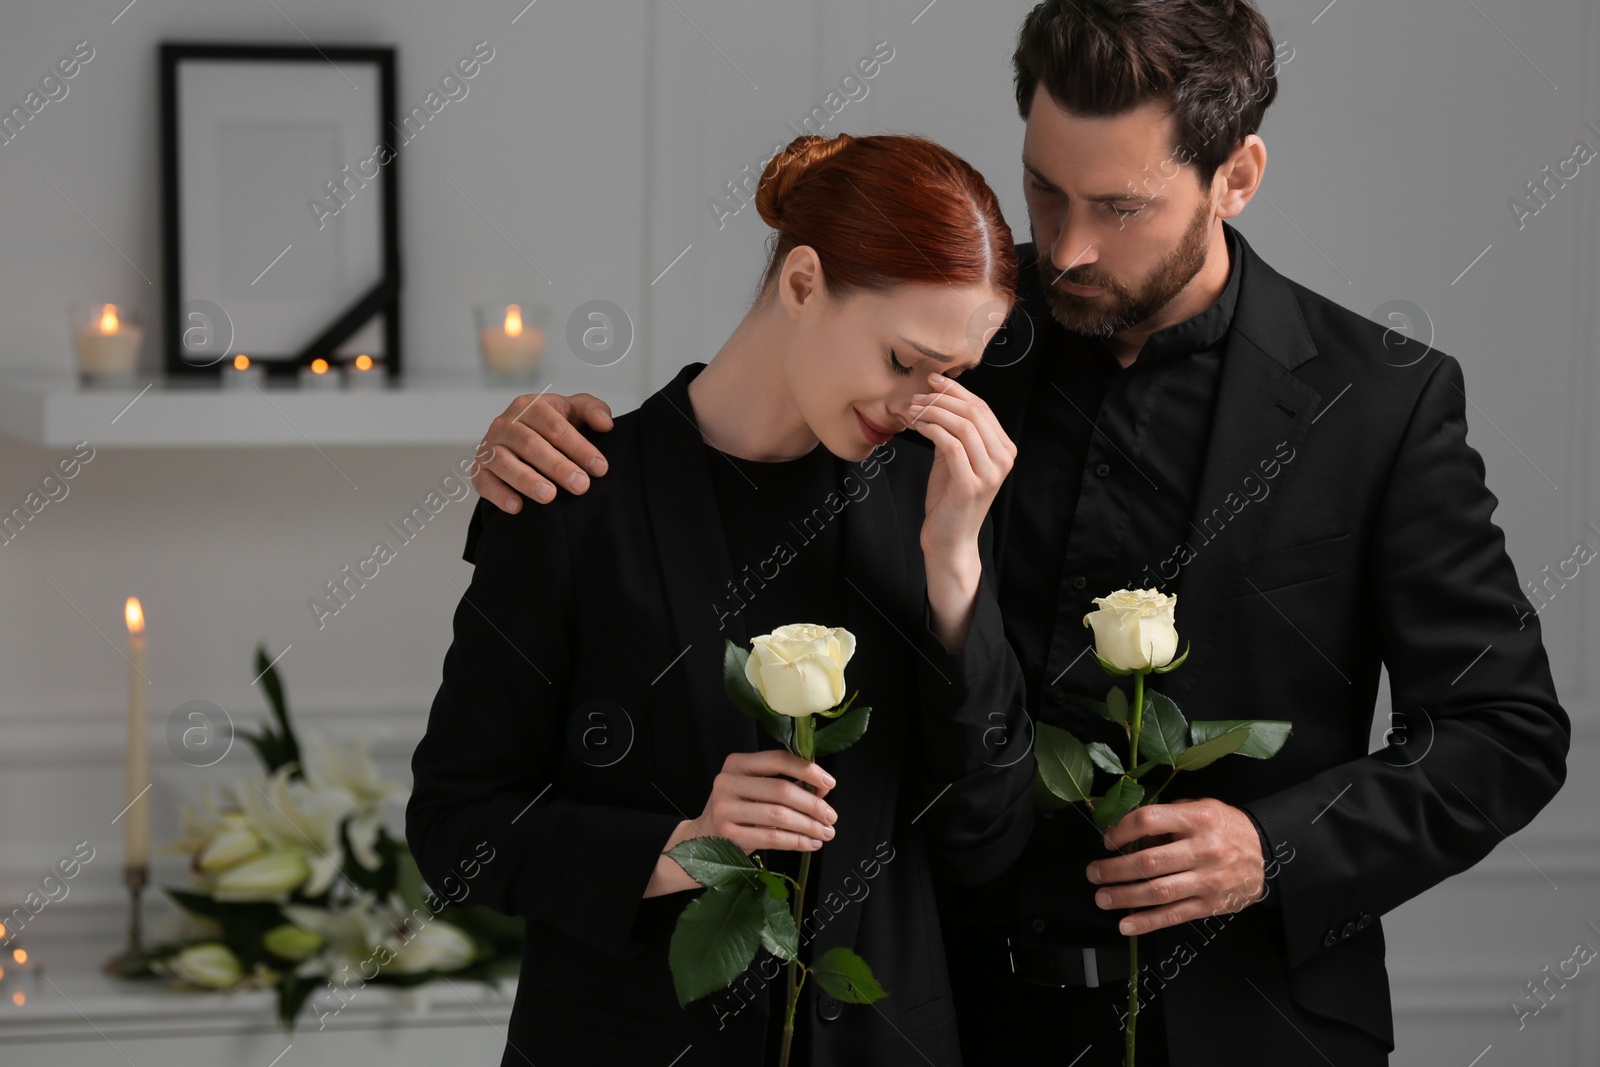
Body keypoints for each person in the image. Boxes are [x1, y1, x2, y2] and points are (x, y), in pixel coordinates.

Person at [457, 2, 1571, 1065]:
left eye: (1120, 207)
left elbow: (1502, 730)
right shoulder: (958, 325)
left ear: (1235, 176)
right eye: (1045, 189)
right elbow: (768, 410)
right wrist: (554, 439)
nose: (1069, 249)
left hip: (1252, 1022)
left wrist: (1270, 847)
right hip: (950, 1012)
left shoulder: (1377, 402)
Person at [406, 132, 1039, 1067]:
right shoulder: (575, 496)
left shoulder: (942, 504)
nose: (918, 404)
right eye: (903, 359)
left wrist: (954, 577)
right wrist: (681, 845)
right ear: (802, 282)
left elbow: (988, 844)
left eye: (949, 377)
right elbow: (454, 829)